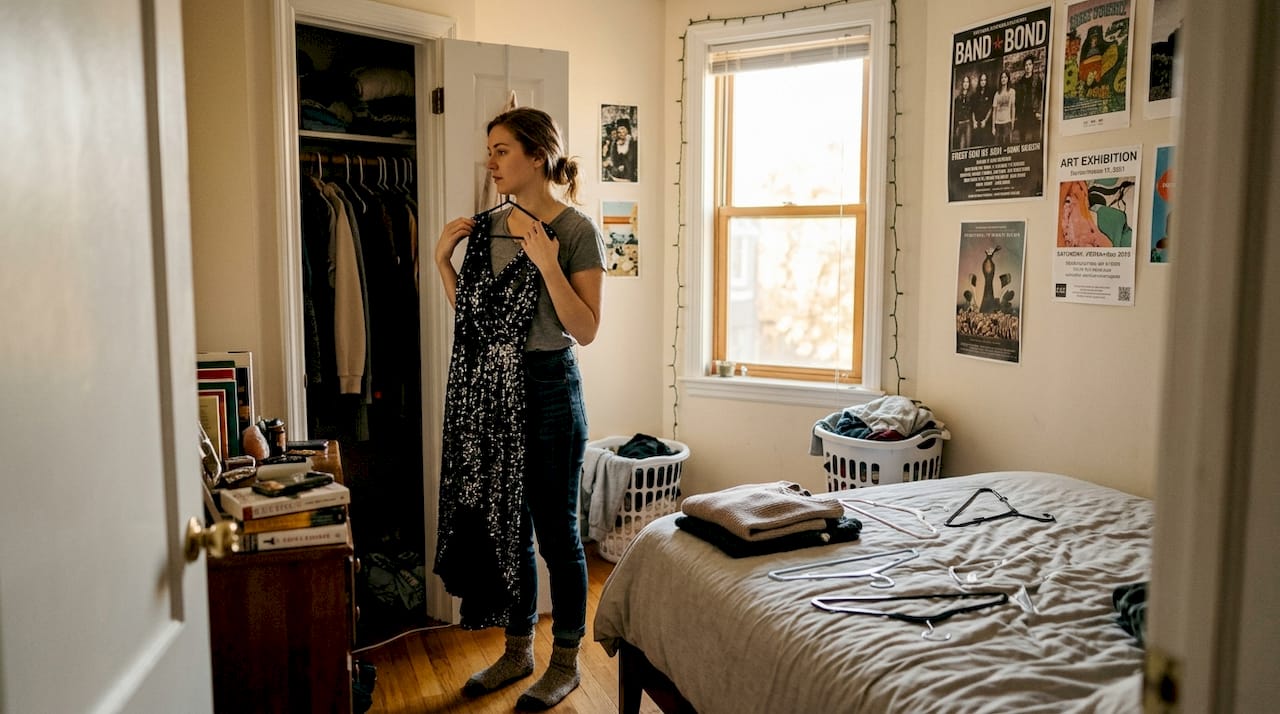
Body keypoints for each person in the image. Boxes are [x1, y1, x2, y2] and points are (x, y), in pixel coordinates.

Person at [433, 107, 606, 710]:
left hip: (550, 390)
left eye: (502, 150)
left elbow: (586, 329)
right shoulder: (487, 227)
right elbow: (475, 322)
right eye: (491, 151)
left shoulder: (577, 230)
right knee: (510, 528)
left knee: (558, 533)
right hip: (495, 392)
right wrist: (442, 262)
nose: (491, 162)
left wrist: (549, 265)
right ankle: (517, 651)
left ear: (538, 156)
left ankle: (565, 662)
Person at [1014, 56, 1044, 143]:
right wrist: (1017, 113)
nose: (1028, 67)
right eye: (1026, 65)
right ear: (1024, 67)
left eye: (1030, 64)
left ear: (1032, 65)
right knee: (1022, 135)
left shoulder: (1037, 79)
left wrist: (1039, 111)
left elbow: (1040, 96)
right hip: (1023, 112)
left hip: (1033, 110)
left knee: (1034, 136)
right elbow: (1018, 98)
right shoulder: (1021, 81)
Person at [602, 116, 637, 182]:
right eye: (619, 132)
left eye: (623, 129)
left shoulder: (633, 143)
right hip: (616, 174)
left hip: (629, 175)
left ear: (627, 130)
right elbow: (613, 157)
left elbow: (634, 159)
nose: (621, 132)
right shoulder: (615, 143)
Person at [991, 70, 1016, 147]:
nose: (1003, 79)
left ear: (1008, 79)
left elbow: (1013, 108)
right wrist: (993, 127)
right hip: (998, 123)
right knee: (998, 146)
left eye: (1005, 77)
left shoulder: (1011, 92)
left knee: (1007, 146)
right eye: (1002, 77)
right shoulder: (997, 94)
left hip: (1007, 122)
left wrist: (1012, 122)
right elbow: (994, 111)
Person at [952, 75, 974, 149]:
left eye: (967, 82)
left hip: (968, 123)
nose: (965, 84)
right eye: (964, 82)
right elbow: (956, 112)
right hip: (960, 123)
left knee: (968, 145)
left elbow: (973, 111)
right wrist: (957, 125)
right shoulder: (958, 98)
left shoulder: (971, 96)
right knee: (961, 146)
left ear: (969, 83)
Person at [971, 71, 993, 146]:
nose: (983, 82)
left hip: (986, 124)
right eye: (981, 80)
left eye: (984, 80)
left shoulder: (990, 93)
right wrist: (974, 122)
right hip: (977, 124)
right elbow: (973, 110)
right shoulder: (975, 94)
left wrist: (985, 121)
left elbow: (991, 108)